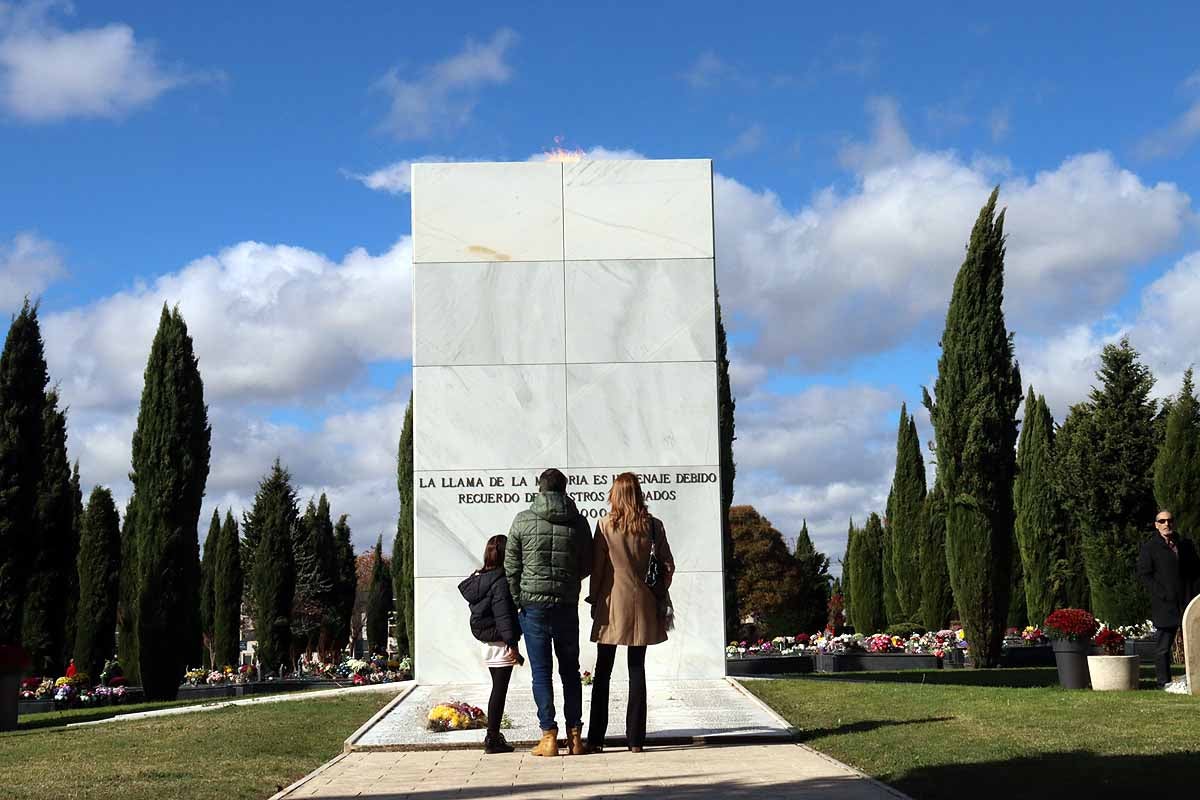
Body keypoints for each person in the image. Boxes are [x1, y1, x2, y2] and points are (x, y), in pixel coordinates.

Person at [504, 467, 593, 757]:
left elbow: (511, 568)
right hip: (566, 604)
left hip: (533, 607)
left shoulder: (522, 520)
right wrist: (568, 583)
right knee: (570, 671)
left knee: (541, 672)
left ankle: (549, 737)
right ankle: (576, 737)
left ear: (540, 489)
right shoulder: (579, 523)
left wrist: (520, 600)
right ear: (565, 489)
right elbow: (588, 563)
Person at [586, 472, 675, 754]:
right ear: (638, 493)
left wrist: (594, 599)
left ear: (616, 494)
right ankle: (635, 740)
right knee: (637, 669)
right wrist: (657, 591)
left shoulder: (604, 525)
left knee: (603, 671)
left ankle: (597, 738)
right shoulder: (653, 526)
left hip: (612, 603)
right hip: (644, 604)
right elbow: (668, 566)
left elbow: (598, 569)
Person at [458, 534, 522, 754]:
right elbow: (503, 615)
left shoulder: (480, 578)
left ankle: (493, 735)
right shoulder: (500, 581)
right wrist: (513, 645)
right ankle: (492, 738)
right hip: (500, 641)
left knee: (498, 688)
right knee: (499, 690)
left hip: (489, 641)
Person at [1136, 509, 1200, 688]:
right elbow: (1145, 575)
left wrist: (1195, 596)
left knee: (1195, 643)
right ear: (1156, 525)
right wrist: (1163, 594)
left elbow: (1196, 572)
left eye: (1169, 520)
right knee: (1163, 647)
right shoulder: (1150, 548)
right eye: (1162, 521)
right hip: (1165, 604)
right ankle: (1163, 682)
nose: (1166, 524)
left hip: (1188, 603)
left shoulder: (1186, 545)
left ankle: (1194, 680)